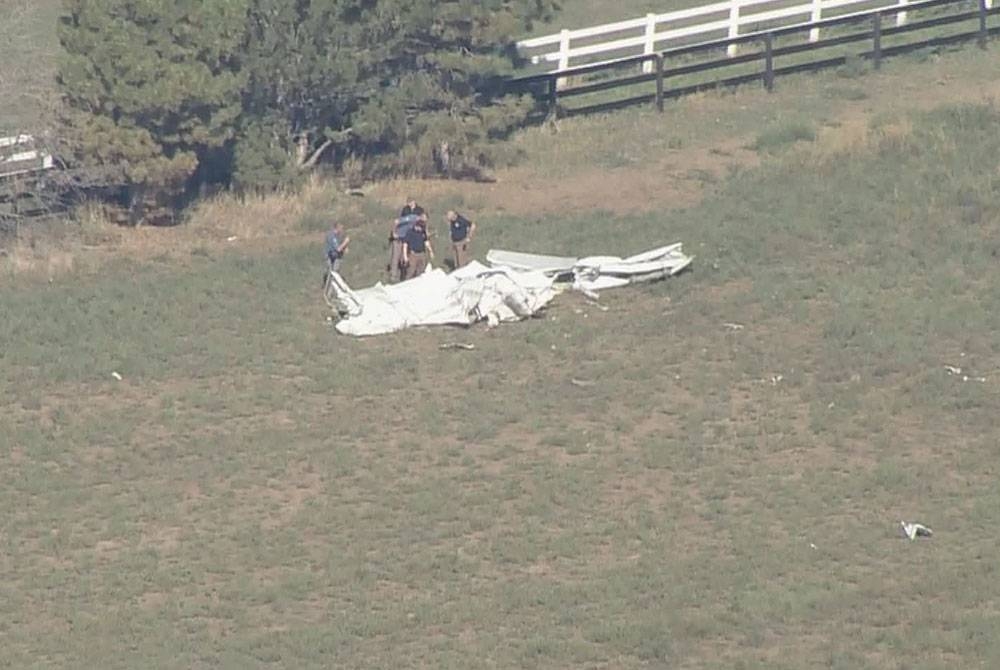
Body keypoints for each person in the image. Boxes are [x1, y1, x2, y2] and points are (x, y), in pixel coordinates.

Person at [387, 213, 420, 283]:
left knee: (404, 258)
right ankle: (393, 276)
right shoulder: (411, 218)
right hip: (399, 239)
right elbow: (396, 222)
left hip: (406, 240)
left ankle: (404, 275)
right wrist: (394, 233)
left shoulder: (419, 224)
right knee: (396, 257)